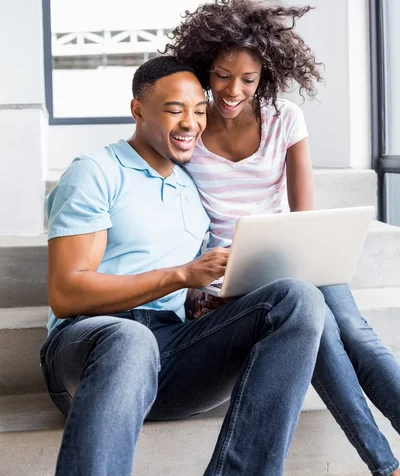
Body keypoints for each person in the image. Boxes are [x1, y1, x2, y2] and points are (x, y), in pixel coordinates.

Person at [40, 55, 326, 476]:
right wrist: (181, 275)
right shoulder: (97, 172)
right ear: (138, 110)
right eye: (175, 110)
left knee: (298, 298)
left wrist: (208, 296)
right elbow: (66, 294)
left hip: (170, 353)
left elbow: (190, 285)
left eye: (198, 110)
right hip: (89, 350)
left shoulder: (191, 190)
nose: (191, 123)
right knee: (130, 337)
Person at [167, 0, 400, 476]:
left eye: (248, 80)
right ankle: (385, 465)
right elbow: (180, 222)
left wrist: (305, 259)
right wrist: (195, 287)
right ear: (204, 69)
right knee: (325, 343)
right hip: (234, 271)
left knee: (356, 334)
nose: (233, 91)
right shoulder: (190, 130)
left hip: (295, 253)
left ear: (265, 76)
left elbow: (305, 218)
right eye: (222, 76)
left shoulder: (284, 119)